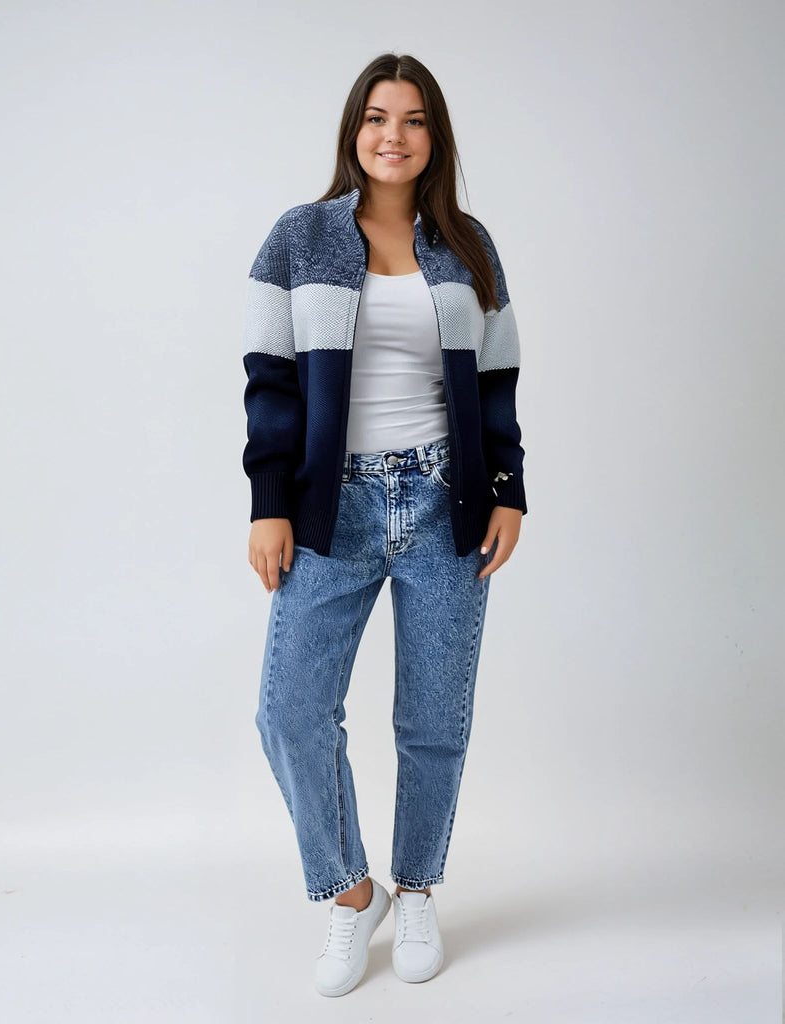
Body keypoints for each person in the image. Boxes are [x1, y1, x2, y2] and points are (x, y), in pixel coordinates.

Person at [241, 52, 528, 997]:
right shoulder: (299, 238)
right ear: (353, 131)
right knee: (289, 712)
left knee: (433, 721)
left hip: (448, 504)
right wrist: (270, 502)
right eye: (376, 117)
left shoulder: (469, 246)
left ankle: (417, 891)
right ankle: (350, 891)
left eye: (411, 119)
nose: (392, 136)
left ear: (433, 136)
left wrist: (508, 487)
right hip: (332, 509)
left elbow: (497, 381)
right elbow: (269, 381)